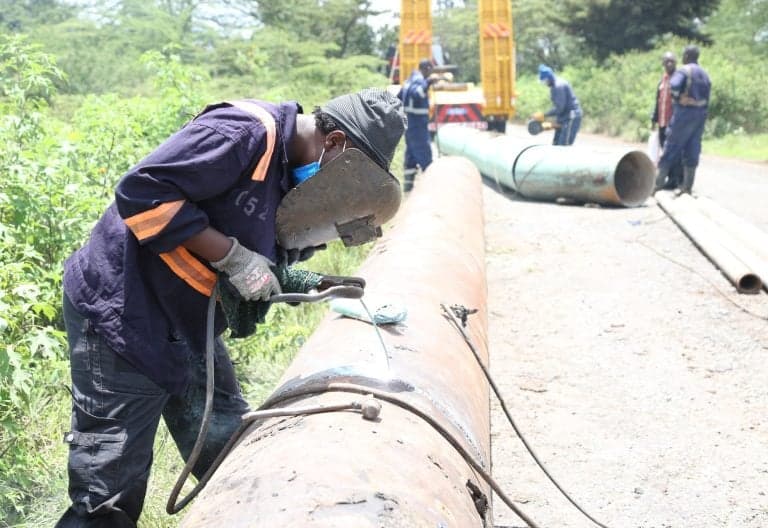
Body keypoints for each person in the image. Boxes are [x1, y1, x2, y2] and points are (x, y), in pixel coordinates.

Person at [56, 88, 406, 527]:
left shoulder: (292, 181)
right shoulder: (244, 134)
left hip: (186, 319)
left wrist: (290, 276)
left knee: (226, 445)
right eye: (348, 178)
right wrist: (231, 256)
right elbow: (141, 192)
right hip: (125, 312)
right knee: (108, 493)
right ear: (334, 143)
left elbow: (269, 246)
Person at [653, 45, 711, 195]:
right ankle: (687, 187)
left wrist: (679, 97)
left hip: (684, 115)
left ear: (685, 56)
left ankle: (657, 184)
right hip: (700, 116)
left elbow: (674, 85)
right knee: (693, 149)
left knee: (671, 146)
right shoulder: (705, 73)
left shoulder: (684, 70)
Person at [398, 58, 434, 192]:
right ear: (427, 69)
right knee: (424, 153)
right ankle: (430, 187)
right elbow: (417, 94)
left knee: (411, 155)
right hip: (417, 124)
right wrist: (428, 83)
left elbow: (398, 97)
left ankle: (408, 186)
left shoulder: (409, 81)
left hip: (410, 124)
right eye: (431, 71)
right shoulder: (419, 81)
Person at [651, 51, 684, 190]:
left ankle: (676, 180)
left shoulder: (679, 79)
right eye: (667, 61)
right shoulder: (662, 81)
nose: (669, 64)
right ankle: (670, 179)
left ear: (676, 63)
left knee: (674, 152)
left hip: (674, 123)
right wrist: (654, 119)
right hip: (662, 122)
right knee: (665, 151)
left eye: (672, 61)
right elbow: (657, 102)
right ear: (663, 64)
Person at [536, 64, 582, 146]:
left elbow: (560, 108)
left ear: (549, 78)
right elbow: (561, 111)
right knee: (555, 144)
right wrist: (551, 125)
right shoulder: (554, 86)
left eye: (545, 81)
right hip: (565, 117)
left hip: (571, 117)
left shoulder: (558, 86)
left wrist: (544, 115)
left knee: (563, 146)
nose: (545, 83)